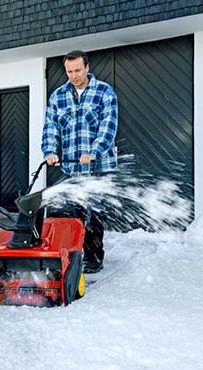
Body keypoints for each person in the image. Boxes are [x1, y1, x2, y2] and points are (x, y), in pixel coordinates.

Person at [41, 50, 118, 273]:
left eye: (77, 70)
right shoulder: (58, 96)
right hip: (71, 166)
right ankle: (73, 254)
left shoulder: (104, 92)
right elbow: (51, 127)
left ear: (86, 68)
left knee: (93, 212)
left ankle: (93, 258)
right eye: (69, 71)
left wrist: (94, 151)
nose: (73, 75)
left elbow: (108, 126)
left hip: (98, 166)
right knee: (71, 212)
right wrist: (49, 151)